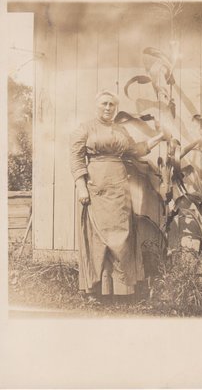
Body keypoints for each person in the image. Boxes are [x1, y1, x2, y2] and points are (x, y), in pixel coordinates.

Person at [70, 90, 165, 298]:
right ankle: (96, 290)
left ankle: (123, 290)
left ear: (115, 108)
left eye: (112, 105)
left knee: (122, 235)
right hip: (97, 188)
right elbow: (76, 159)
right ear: (96, 106)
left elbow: (136, 150)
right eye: (104, 103)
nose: (108, 108)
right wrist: (81, 187)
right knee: (98, 238)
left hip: (120, 188)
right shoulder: (85, 129)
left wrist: (158, 138)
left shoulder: (121, 130)